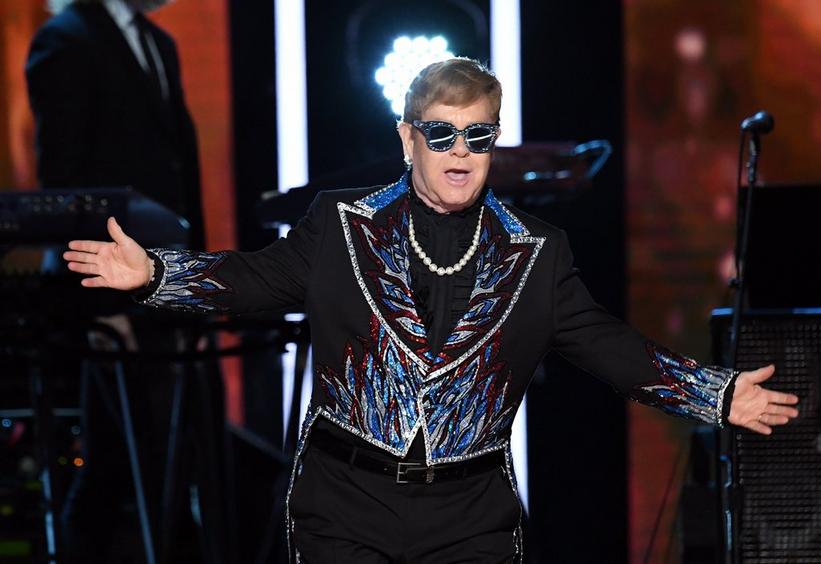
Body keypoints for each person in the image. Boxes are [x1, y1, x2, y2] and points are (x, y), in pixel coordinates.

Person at [63, 58, 799, 563]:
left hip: (471, 517)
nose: (458, 150)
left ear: (491, 141)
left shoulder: (534, 252)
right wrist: (158, 273)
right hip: (344, 506)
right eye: (440, 133)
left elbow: (608, 345)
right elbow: (251, 280)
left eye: (476, 135)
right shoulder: (341, 226)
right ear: (407, 138)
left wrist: (715, 391)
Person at [26, 1, 223, 562]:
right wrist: (98, 303)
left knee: (149, 459)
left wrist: (197, 285)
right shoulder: (65, 39)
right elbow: (63, 188)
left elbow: (181, 176)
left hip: (167, 283)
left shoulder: (160, 44)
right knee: (131, 462)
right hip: (111, 295)